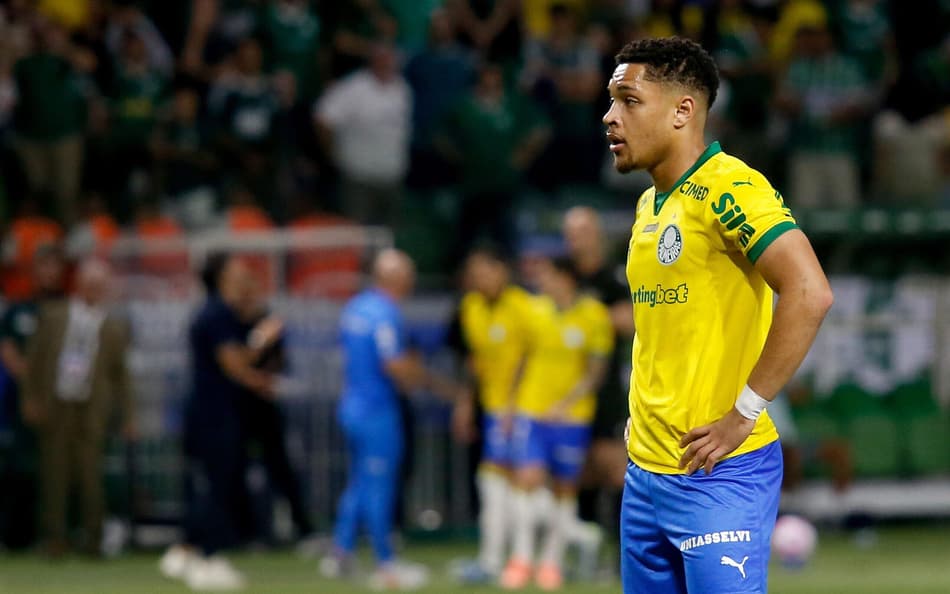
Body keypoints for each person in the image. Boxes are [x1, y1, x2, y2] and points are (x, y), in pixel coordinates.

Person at [603, 37, 833, 594]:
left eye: (629, 101)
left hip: (717, 474)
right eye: (611, 102)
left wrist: (744, 412)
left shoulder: (729, 186)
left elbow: (809, 292)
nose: (610, 117)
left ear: (684, 111)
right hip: (647, 473)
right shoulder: (649, 204)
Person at [320, 249, 461, 590]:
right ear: (396, 277)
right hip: (377, 412)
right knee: (379, 486)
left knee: (360, 481)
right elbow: (395, 365)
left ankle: (340, 552)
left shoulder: (356, 307)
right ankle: (387, 564)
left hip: (352, 406)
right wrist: (432, 383)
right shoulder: (386, 314)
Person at [158, 253, 282, 591]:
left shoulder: (222, 313)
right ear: (222, 276)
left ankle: (186, 550)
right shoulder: (216, 314)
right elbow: (234, 365)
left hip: (217, 411)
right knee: (216, 484)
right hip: (214, 412)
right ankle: (206, 558)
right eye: (237, 270)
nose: (245, 274)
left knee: (216, 483)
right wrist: (262, 340)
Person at [501, 256, 614, 591]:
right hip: (532, 412)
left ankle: (551, 562)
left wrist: (565, 405)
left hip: (572, 418)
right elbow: (520, 361)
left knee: (565, 489)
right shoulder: (533, 311)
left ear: (565, 279)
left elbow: (596, 371)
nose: (541, 282)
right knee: (527, 479)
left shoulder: (593, 315)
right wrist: (509, 405)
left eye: (547, 275)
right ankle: (521, 559)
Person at [21, 258, 134, 557]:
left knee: (90, 477)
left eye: (100, 285)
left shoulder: (113, 326)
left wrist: (129, 415)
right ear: (79, 284)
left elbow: (121, 375)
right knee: (54, 475)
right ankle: (54, 539)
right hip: (56, 403)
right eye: (90, 284)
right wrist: (30, 398)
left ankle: (94, 540)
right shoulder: (54, 315)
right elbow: (34, 360)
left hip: (91, 408)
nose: (95, 290)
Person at [452, 247, 532, 582]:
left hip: (522, 409)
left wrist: (515, 404)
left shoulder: (523, 307)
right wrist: (466, 403)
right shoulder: (470, 308)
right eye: (475, 274)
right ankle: (498, 559)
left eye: (486, 271)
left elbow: (530, 358)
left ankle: (518, 558)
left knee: (517, 483)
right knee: (493, 482)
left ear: (502, 271)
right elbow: (475, 362)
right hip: (492, 409)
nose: (480, 280)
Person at [562, 206, 633, 567]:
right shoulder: (563, 276)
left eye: (582, 231)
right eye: (570, 232)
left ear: (596, 234)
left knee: (613, 465)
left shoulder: (613, 278)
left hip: (604, 388)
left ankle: (623, 553)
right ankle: (583, 553)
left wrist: (589, 317)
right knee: (579, 470)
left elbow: (631, 321)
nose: (575, 239)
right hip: (561, 386)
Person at [0, 244, 66, 550]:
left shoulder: (69, 309)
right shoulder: (19, 309)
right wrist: (32, 385)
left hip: (61, 403)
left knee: (56, 470)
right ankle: (16, 537)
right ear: (35, 270)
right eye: (44, 265)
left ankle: (55, 534)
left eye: (54, 265)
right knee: (19, 467)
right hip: (22, 404)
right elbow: (8, 350)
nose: (49, 272)